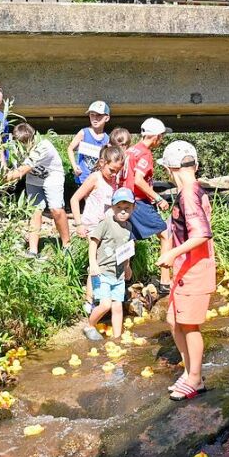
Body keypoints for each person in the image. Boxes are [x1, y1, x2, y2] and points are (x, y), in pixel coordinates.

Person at [157, 141, 216, 402]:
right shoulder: (191, 191)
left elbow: (202, 234)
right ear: (196, 165)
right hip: (186, 268)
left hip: (195, 268)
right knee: (174, 321)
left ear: (170, 169)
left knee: (190, 326)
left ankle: (195, 379)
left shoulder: (190, 193)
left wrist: (171, 253)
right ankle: (190, 372)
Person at [70, 144, 124, 312]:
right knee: (96, 262)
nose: (114, 174)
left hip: (107, 228)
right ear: (102, 163)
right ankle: (89, 300)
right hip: (93, 226)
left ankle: (104, 296)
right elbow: (74, 199)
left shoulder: (113, 181)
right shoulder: (95, 178)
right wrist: (79, 224)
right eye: (112, 170)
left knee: (106, 261)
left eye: (118, 171)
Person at [4, 122, 70, 257]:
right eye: (20, 142)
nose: (22, 145)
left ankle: (67, 245)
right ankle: (33, 250)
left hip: (52, 177)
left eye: (25, 142)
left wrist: (1, 179)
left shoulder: (43, 147)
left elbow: (22, 170)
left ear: (32, 138)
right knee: (34, 211)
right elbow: (12, 164)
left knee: (56, 210)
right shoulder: (16, 147)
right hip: (34, 180)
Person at [122, 118, 172, 292]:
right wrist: (158, 198)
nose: (162, 139)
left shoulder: (130, 151)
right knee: (165, 234)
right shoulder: (145, 153)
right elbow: (138, 180)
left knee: (128, 240)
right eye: (162, 136)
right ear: (156, 137)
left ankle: (125, 282)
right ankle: (165, 282)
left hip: (124, 201)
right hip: (138, 201)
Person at [83, 188, 136, 343]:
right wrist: (93, 263)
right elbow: (93, 242)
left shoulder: (128, 228)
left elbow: (125, 251)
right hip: (103, 271)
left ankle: (117, 337)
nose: (123, 212)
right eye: (119, 208)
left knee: (118, 306)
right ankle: (90, 325)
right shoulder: (106, 223)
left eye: (127, 209)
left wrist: (127, 267)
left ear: (133, 208)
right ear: (113, 207)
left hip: (118, 274)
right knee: (105, 304)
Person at [67, 101, 111, 186]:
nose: (95, 118)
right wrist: (75, 167)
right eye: (92, 115)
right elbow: (70, 148)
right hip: (82, 179)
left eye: (99, 115)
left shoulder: (107, 139)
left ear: (107, 118)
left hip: (98, 180)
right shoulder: (84, 133)